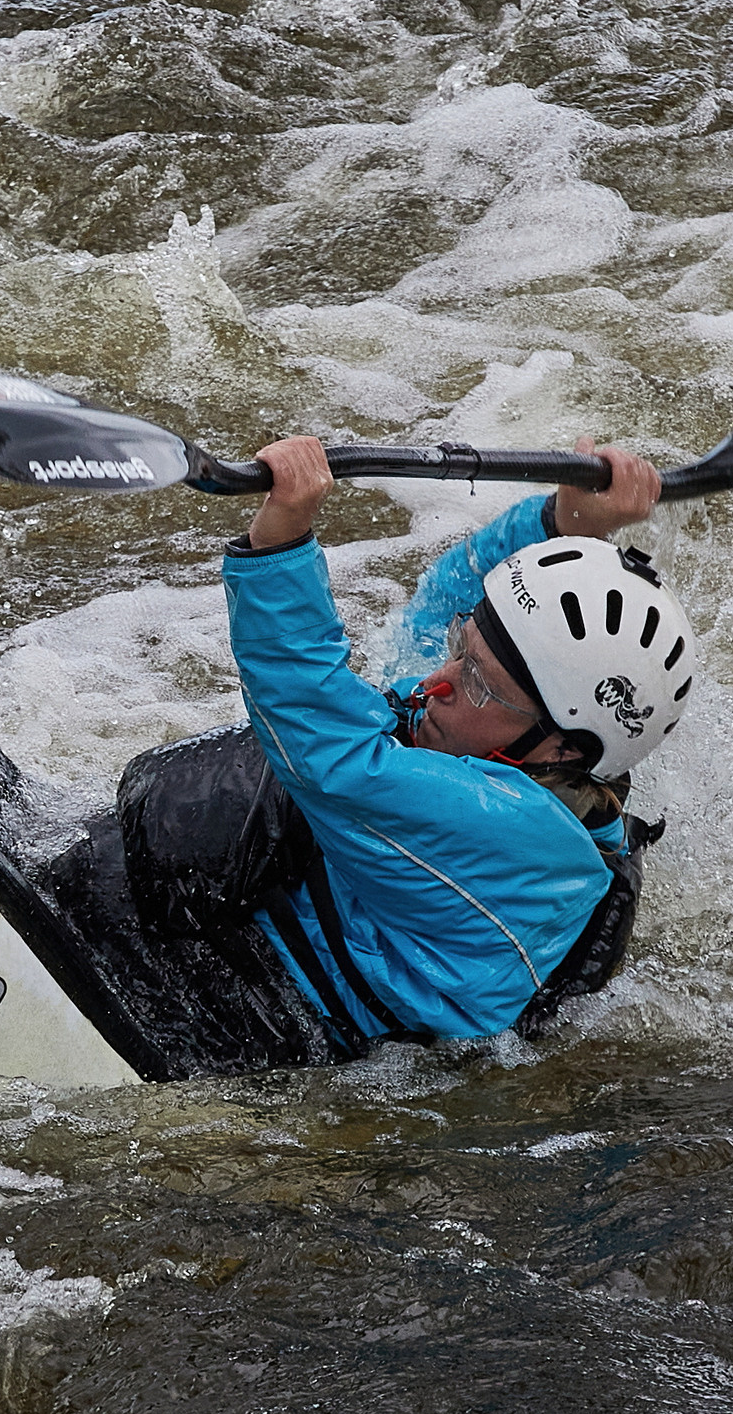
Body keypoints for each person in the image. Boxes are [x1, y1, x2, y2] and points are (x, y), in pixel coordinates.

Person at [216, 433, 697, 1052]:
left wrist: (279, 543)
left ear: (561, 750)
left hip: (264, 1038)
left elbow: (333, 756)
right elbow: (433, 608)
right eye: (462, 648)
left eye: (477, 681)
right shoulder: (512, 742)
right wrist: (564, 524)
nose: (437, 683)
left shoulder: (514, 835)